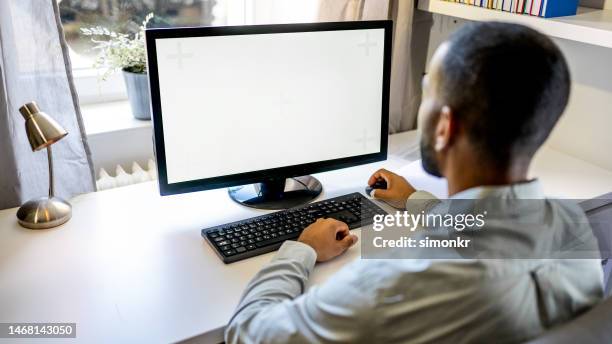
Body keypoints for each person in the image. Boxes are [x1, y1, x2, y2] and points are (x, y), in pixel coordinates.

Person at [225, 22, 604, 343]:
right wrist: (416, 201)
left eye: (427, 94)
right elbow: (487, 231)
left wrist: (302, 249)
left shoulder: (395, 283)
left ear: (444, 127)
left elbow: (246, 331)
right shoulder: (571, 224)